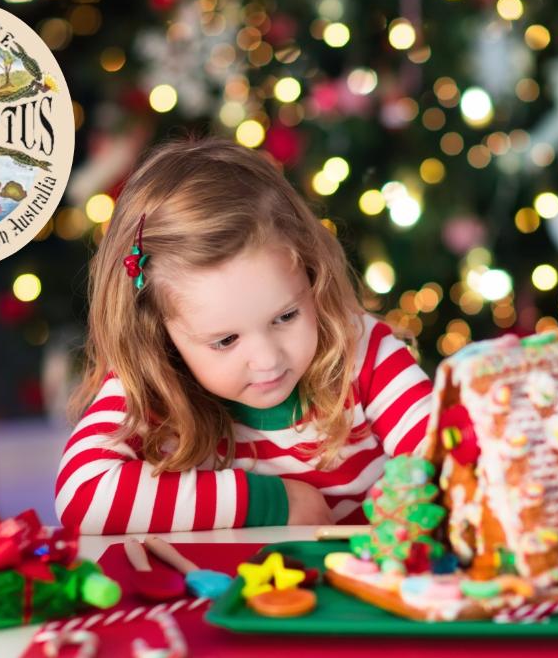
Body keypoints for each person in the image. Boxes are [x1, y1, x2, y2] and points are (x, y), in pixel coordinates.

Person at [56, 139, 433, 534]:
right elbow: (82, 494)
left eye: (286, 316)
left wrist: (413, 495)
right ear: (159, 331)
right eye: (226, 341)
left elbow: (451, 458)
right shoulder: (153, 380)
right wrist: (274, 501)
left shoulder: (365, 352)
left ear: (312, 274)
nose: (267, 359)